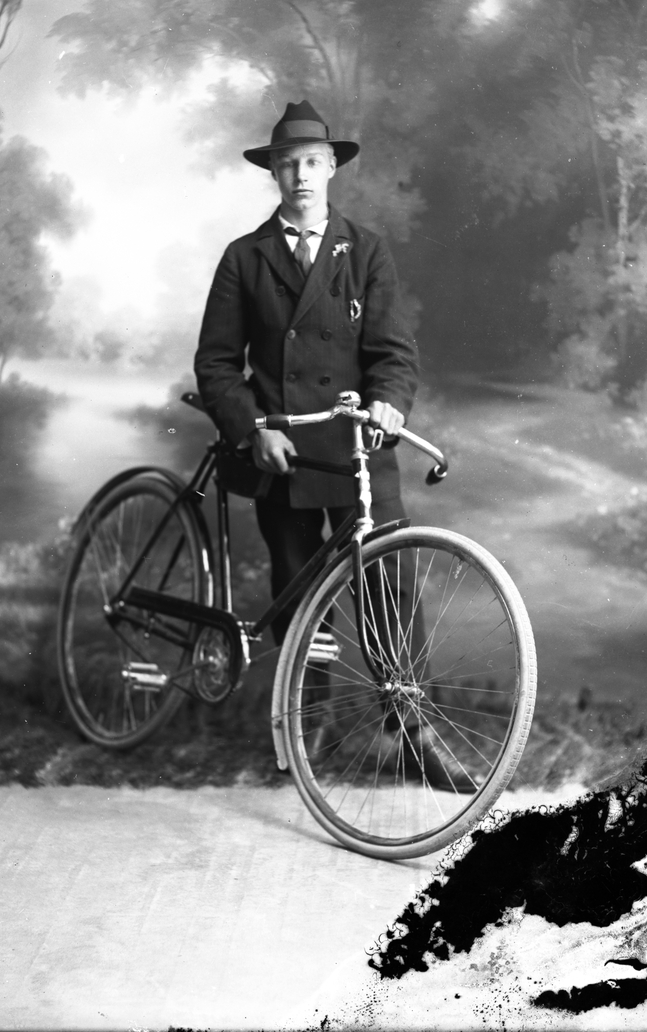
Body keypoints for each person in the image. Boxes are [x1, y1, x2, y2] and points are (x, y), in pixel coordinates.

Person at [194, 100, 461, 786]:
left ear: (332, 167)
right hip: (284, 452)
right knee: (300, 592)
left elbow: (393, 352)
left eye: (312, 161)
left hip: (357, 451)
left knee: (390, 587)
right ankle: (308, 725)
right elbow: (217, 365)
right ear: (273, 173)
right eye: (288, 164)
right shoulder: (244, 259)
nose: (301, 175)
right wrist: (254, 429)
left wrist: (388, 402)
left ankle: (414, 730)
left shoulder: (365, 251)